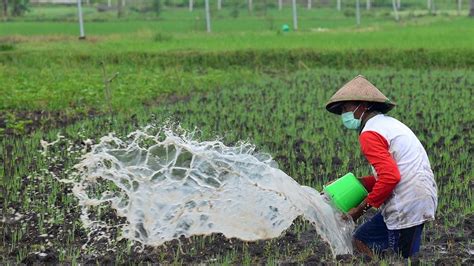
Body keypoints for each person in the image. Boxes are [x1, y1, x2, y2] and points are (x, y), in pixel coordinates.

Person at [325, 75, 438, 259]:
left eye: (346, 108)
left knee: (402, 258)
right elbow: (390, 172)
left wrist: (360, 209)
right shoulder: (388, 125)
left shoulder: (370, 133)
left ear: (362, 106)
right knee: (362, 239)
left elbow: (390, 177)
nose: (344, 114)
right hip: (417, 195)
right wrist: (358, 183)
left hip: (406, 201)